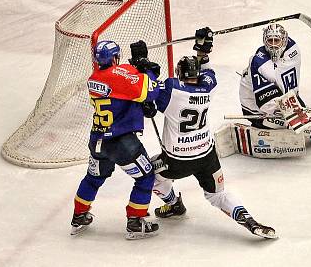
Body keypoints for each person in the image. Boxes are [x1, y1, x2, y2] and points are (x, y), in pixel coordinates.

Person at [147, 27, 277, 239]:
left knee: (147, 172)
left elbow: (149, 91)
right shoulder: (208, 87)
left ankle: (173, 204)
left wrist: (143, 67)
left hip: (176, 161)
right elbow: (207, 72)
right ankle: (249, 221)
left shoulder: (172, 90)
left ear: (179, 75)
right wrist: (203, 50)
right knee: (218, 196)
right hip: (207, 157)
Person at [70, 39, 163, 239]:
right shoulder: (118, 77)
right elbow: (151, 91)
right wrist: (147, 70)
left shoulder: (94, 78)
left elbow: (120, 89)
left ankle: (79, 216)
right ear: (114, 57)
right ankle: (135, 222)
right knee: (146, 177)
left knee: (93, 178)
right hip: (120, 143)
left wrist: (136, 67)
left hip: (97, 140)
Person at [215, 23, 311, 159]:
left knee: (299, 120)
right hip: (256, 109)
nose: (273, 45)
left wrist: (296, 108)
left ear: (284, 40)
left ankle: (303, 122)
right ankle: (267, 126)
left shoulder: (292, 50)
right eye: (270, 41)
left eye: (277, 40)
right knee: (290, 122)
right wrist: (290, 114)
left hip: (285, 97)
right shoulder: (259, 63)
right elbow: (266, 104)